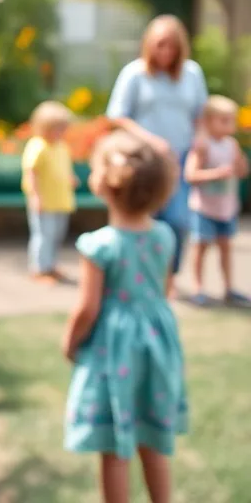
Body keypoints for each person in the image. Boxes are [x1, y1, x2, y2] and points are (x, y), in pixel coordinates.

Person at [63, 129, 187, 503]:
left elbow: (88, 308)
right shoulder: (164, 236)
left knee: (116, 447)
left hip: (113, 351)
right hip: (157, 346)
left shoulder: (99, 245)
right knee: (153, 442)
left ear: (107, 184)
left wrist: (69, 342)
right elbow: (164, 290)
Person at [106, 15, 208, 296]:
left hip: (179, 160)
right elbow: (117, 116)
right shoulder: (135, 73)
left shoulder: (191, 73)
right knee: (144, 219)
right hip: (145, 163)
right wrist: (151, 140)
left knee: (177, 221)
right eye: (160, 45)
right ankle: (140, 277)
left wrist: (200, 139)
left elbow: (200, 113)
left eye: (171, 47)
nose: (165, 52)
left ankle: (168, 276)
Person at [183, 95, 249, 306]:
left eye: (231, 119)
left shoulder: (232, 145)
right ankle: (198, 287)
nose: (230, 124)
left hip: (226, 208)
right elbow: (190, 175)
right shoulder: (202, 146)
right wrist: (216, 174)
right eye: (224, 120)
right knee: (201, 247)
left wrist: (239, 166)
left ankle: (229, 288)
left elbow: (242, 171)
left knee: (225, 247)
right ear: (209, 121)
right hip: (204, 208)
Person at [22, 101, 79, 283]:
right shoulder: (37, 146)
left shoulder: (61, 146)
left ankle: (51, 265)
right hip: (44, 202)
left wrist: (70, 178)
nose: (61, 133)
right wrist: (35, 196)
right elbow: (32, 173)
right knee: (43, 236)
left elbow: (63, 168)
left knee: (56, 236)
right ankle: (39, 269)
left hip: (60, 200)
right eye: (57, 129)